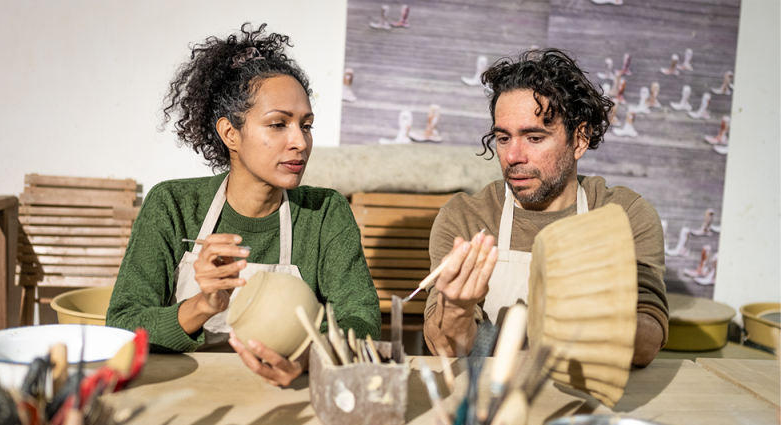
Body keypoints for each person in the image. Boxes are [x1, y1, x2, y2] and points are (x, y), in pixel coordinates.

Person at [107, 23, 381, 386]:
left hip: (287, 394)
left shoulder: (325, 212)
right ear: (230, 133)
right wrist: (203, 305)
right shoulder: (172, 205)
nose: (300, 141)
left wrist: (305, 358)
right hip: (181, 394)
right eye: (278, 124)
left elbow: (362, 323)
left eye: (306, 125)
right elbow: (122, 327)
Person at [423, 48, 668, 367]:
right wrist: (456, 307)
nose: (513, 156)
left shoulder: (624, 215)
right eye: (503, 138)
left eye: (534, 138)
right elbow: (444, 348)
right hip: (489, 404)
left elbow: (648, 339)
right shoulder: (467, 217)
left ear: (579, 139)